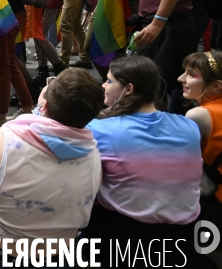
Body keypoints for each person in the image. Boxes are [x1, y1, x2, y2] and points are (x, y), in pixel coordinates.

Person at [0, 68, 103, 267]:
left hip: (4, 256)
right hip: (64, 255)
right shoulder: (93, 152)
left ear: (45, 106)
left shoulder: (3, 138)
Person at [86, 56, 202, 266]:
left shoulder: (99, 130)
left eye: (109, 81)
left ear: (128, 89)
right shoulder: (189, 127)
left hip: (123, 238)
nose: (103, 85)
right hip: (183, 240)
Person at [179, 51, 222, 229]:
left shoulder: (198, 115)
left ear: (217, 86)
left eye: (191, 75)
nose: (180, 78)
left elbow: (183, 164)